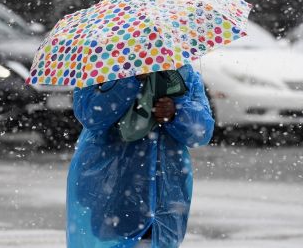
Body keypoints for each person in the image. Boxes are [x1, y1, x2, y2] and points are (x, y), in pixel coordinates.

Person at [66, 64, 215, 248]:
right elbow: (90, 116)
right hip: (113, 184)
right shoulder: (99, 68)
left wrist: (176, 112)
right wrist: (132, 81)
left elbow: (202, 132)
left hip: (166, 188)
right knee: (116, 241)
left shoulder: (183, 73)